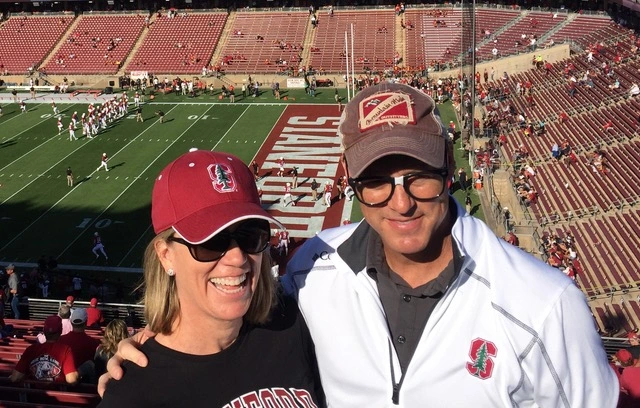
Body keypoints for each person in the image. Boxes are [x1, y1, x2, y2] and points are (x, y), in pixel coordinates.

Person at [103, 83, 618, 406]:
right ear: (352, 184)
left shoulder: (545, 306)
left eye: (417, 175)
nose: (400, 203)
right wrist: (156, 354)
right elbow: (212, 330)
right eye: (377, 179)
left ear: (448, 170)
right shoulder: (313, 271)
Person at [98, 149, 324, 406]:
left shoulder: (293, 323)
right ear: (165, 255)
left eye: (252, 235)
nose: (238, 257)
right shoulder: (133, 394)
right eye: (211, 242)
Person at [10, 315, 79, 384]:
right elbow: (71, 380)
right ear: (60, 331)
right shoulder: (65, 350)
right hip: (56, 391)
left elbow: (15, 378)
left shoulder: (31, 349)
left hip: (34, 393)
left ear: (44, 331)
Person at [58, 308, 101, 383]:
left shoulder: (61, 340)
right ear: (86, 323)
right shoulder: (93, 343)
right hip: (85, 385)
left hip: (64, 383)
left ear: (71, 322)